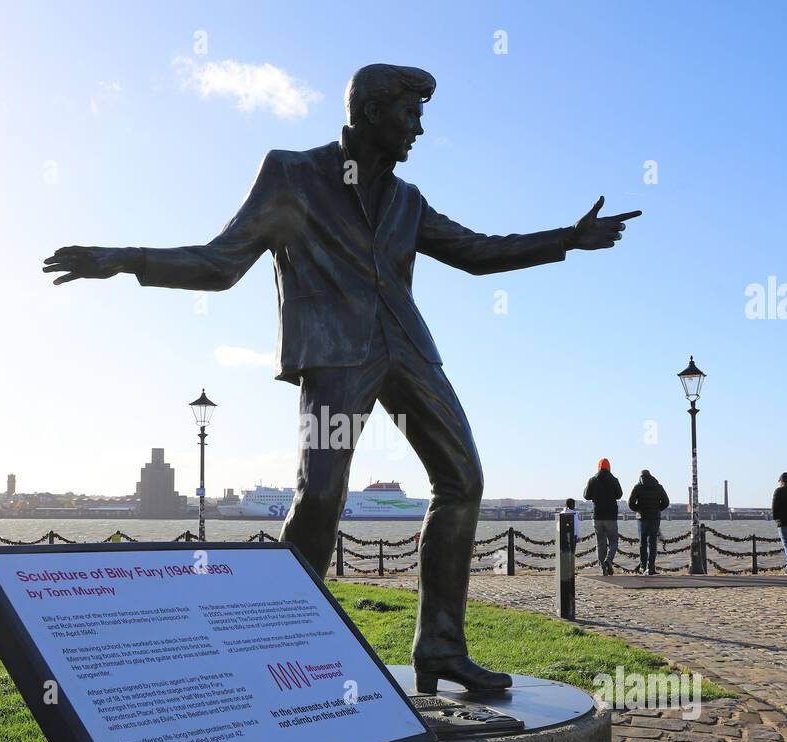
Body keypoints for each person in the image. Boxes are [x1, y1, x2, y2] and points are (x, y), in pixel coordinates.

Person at [42, 64, 642, 694]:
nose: (420, 128)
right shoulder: (293, 175)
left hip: (407, 349)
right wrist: (124, 259)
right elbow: (221, 264)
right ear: (371, 111)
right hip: (335, 353)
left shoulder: (408, 200)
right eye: (410, 113)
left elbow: (477, 253)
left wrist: (568, 240)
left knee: (462, 479)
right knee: (321, 495)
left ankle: (439, 648)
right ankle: (281, 645)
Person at [584, 458, 623, 575]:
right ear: (609, 467)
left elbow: (586, 495)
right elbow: (619, 494)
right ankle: (608, 561)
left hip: (597, 516)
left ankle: (603, 569)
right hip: (611, 516)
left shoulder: (592, 480)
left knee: (600, 543)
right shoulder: (614, 480)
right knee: (613, 542)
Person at [627, 469, 669, 575]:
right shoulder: (658, 487)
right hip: (654, 518)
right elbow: (666, 502)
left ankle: (642, 566)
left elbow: (630, 503)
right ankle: (651, 568)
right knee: (652, 543)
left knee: (643, 543)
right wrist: (658, 509)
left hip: (642, 518)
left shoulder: (637, 487)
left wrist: (638, 509)